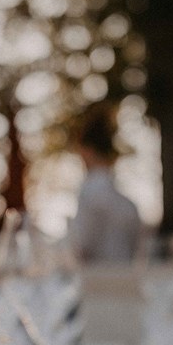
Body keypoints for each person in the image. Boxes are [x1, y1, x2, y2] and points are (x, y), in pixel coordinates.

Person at [69, 104, 142, 263]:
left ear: (87, 150)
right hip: (126, 282)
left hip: (95, 283)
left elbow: (82, 246)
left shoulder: (89, 192)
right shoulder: (128, 205)